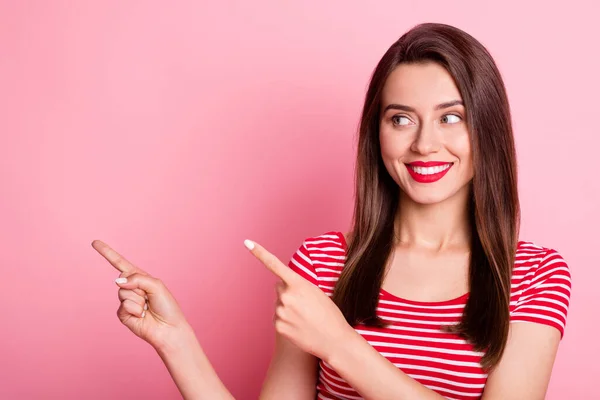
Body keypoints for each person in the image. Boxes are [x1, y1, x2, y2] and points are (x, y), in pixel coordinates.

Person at [92, 22, 571, 400]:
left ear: (487, 128)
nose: (425, 144)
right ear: (376, 133)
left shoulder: (536, 275)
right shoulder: (321, 264)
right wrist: (176, 342)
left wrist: (340, 345)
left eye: (452, 117)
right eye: (401, 118)